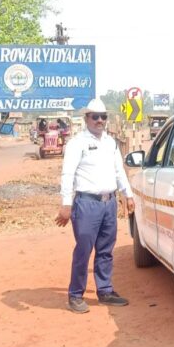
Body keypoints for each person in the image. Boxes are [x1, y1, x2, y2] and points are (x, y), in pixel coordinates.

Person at [55, 98, 135, 314]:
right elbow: (68, 174)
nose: (100, 121)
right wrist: (66, 203)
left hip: (109, 204)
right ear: (87, 118)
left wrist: (127, 194)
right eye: (95, 117)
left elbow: (119, 171)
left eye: (103, 117)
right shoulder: (77, 143)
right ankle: (75, 295)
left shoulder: (110, 143)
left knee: (106, 250)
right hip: (87, 204)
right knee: (84, 250)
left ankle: (105, 290)